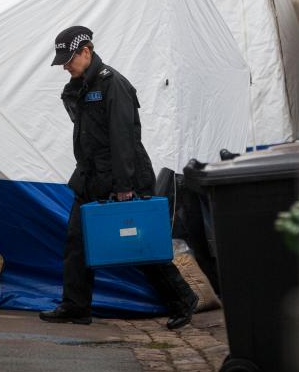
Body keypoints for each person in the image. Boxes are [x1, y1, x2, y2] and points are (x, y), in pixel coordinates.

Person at [40, 26, 198, 329]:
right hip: (90, 177)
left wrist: (125, 187)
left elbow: (124, 138)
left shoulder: (113, 85)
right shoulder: (82, 85)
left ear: (86, 51)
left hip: (124, 177)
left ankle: (183, 298)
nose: (64, 66)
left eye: (69, 59)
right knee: (76, 241)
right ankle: (76, 306)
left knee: (138, 244)